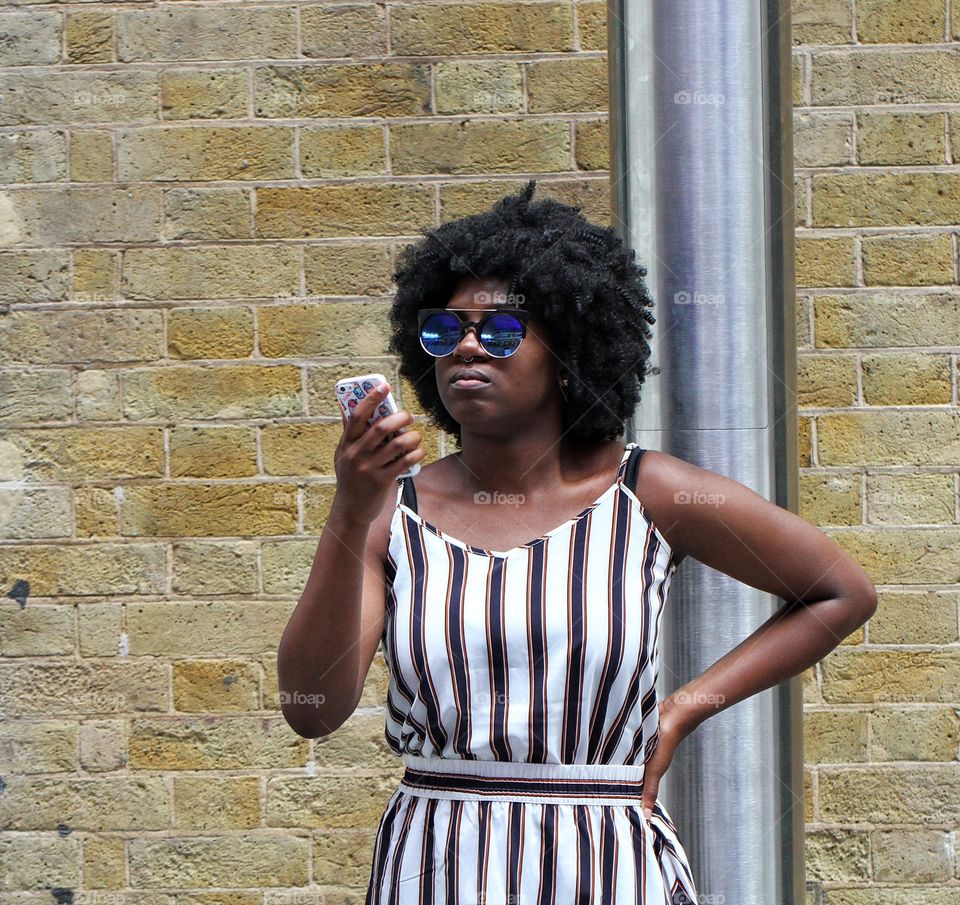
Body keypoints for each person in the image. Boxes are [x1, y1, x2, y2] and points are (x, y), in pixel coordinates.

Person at [278, 180, 877, 903]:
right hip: (437, 860)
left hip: (604, 858)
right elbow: (312, 708)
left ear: (567, 352)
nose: (467, 345)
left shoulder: (647, 493)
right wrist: (349, 508)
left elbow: (841, 591)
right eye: (445, 330)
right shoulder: (390, 512)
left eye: (500, 331)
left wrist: (688, 705)